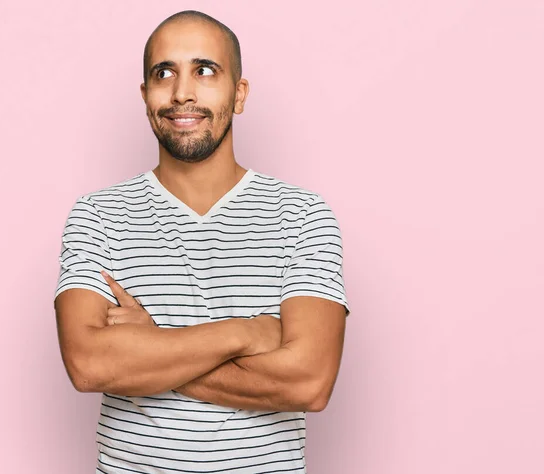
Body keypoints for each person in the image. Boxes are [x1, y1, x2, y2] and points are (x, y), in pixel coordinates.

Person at [54, 9, 351, 474]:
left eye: (205, 71)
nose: (182, 93)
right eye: (163, 73)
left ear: (240, 93)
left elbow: (310, 381)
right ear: (145, 95)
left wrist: (148, 349)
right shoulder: (98, 215)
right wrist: (246, 333)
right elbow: (90, 365)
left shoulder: (302, 214)